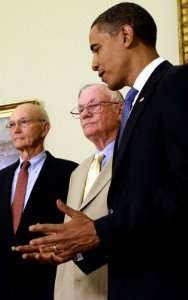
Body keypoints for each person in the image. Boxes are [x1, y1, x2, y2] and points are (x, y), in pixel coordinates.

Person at [16, 3, 188, 299]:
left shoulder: (178, 85)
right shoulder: (136, 106)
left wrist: (100, 230)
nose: (94, 64)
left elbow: (183, 192)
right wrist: (80, 248)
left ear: (125, 35)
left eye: (96, 49)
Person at [0, 103, 78, 300]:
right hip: (1, 286)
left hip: (47, 282)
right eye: (11, 125)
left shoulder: (69, 172)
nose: (16, 130)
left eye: (24, 122)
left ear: (45, 128)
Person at [54, 84, 122, 300]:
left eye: (94, 105)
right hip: (69, 290)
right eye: (80, 108)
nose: (85, 113)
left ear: (119, 109)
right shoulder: (78, 171)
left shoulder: (132, 162)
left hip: (108, 288)